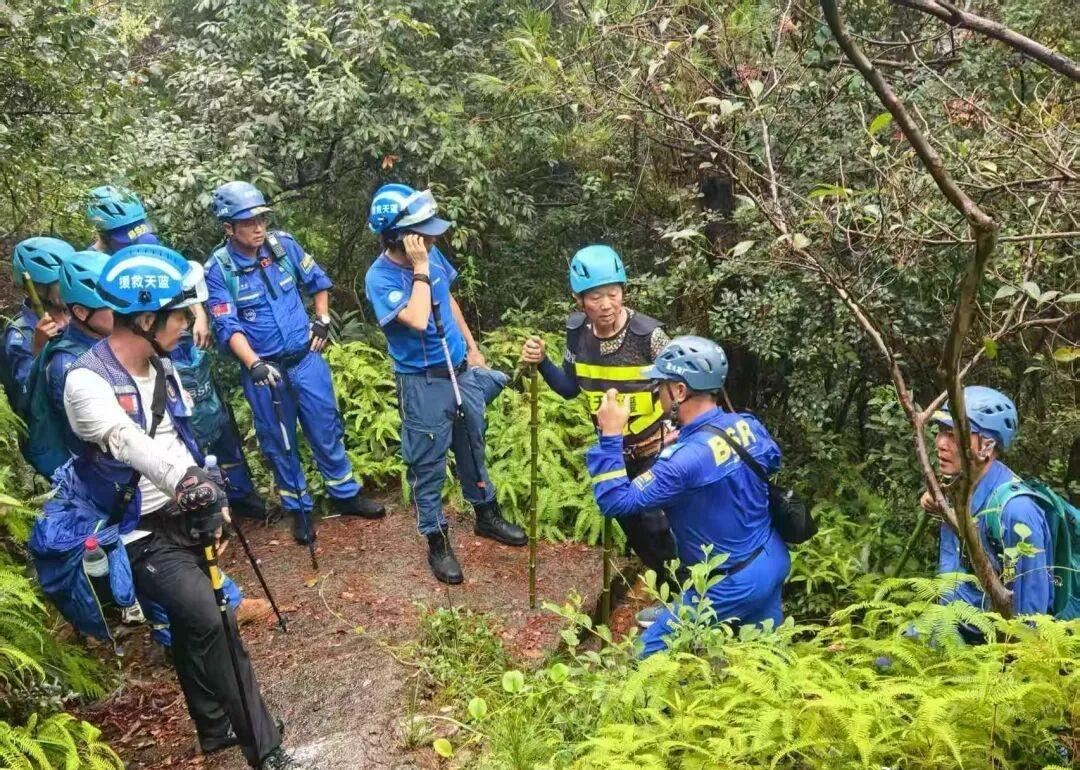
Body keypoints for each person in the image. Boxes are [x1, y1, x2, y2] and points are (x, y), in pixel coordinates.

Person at [32, 243, 302, 768]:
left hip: (182, 513)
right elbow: (127, 441)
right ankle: (266, 751)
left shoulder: (162, 366)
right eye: (181, 314)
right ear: (148, 317)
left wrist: (208, 490)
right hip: (135, 530)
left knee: (188, 625)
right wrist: (189, 482)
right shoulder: (85, 381)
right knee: (214, 620)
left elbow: (174, 434)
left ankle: (214, 728)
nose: (188, 323)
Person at [586, 336, 790, 657]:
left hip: (730, 583)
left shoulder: (683, 461)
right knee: (763, 660)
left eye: (661, 385)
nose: (657, 392)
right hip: (771, 557)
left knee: (648, 658)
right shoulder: (746, 424)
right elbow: (770, 460)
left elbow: (616, 502)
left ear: (680, 391)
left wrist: (611, 435)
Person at [204, 181, 384, 544]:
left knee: (326, 425)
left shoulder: (283, 246)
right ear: (228, 227)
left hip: (306, 358)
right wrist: (254, 363)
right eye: (248, 222)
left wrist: (322, 319)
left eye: (261, 219)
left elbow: (317, 281)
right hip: (264, 371)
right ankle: (300, 508)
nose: (258, 228)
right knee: (278, 439)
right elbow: (227, 324)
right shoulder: (219, 269)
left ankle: (345, 494)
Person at [364, 183, 525, 584]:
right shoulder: (380, 277)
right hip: (421, 383)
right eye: (423, 230)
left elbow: (447, 299)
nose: (434, 236)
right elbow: (418, 318)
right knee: (427, 461)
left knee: (473, 444)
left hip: (460, 369)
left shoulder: (433, 254)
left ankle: (486, 514)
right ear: (399, 234)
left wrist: (472, 346)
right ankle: (436, 539)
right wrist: (418, 269)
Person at [87, 185, 266, 520]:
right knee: (172, 424)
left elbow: (181, 282)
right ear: (105, 234)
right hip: (139, 357)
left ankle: (238, 492)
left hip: (179, 348)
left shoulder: (148, 244)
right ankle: (191, 500)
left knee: (214, 419)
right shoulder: (94, 267)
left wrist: (197, 315)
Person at [521, 244, 676, 623]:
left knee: (658, 523)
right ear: (579, 299)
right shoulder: (577, 336)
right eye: (595, 296)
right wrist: (541, 364)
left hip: (656, 446)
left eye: (613, 293)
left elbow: (680, 382)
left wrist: (680, 426)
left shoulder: (649, 335)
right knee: (634, 529)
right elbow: (571, 388)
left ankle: (687, 598)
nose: (606, 304)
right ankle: (671, 596)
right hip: (613, 452)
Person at [923, 386, 1053, 619]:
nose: (941, 443)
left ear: (987, 447)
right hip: (947, 629)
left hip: (985, 647)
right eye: (941, 431)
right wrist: (942, 507)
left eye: (954, 435)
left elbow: (1031, 623)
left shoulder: (1016, 512)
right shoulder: (956, 487)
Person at [20, 250, 115, 479]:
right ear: (81, 312)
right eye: (111, 307)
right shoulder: (69, 366)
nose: (121, 313)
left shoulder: (102, 341)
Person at [1, 237, 72, 411]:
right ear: (39, 287)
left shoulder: (75, 314)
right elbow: (24, 395)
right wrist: (39, 350)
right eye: (61, 283)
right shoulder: (20, 333)